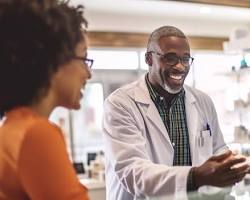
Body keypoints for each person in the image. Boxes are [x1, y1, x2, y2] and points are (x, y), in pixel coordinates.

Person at [103, 26, 250, 200]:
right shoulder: (120, 104)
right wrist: (195, 177)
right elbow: (133, 172)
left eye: (186, 59)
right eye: (170, 58)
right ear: (149, 59)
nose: (180, 66)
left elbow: (218, 149)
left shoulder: (202, 101)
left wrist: (230, 167)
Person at [0, 0, 92, 199]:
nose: (88, 73)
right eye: (84, 59)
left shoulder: (11, 128)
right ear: (57, 61)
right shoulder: (37, 134)